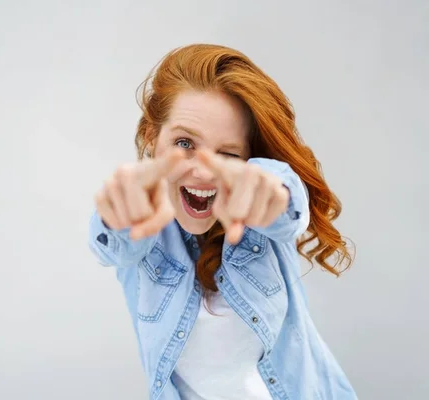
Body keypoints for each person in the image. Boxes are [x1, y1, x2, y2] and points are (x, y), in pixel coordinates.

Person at [88, 44, 356, 400]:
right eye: (185, 143)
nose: (202, 171)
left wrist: (272, 194)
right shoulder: (143, 232)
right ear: (153, 137)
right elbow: (112, 242)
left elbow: (283, 200)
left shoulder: (259, 221)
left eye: (228, 155)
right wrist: (114, 216)